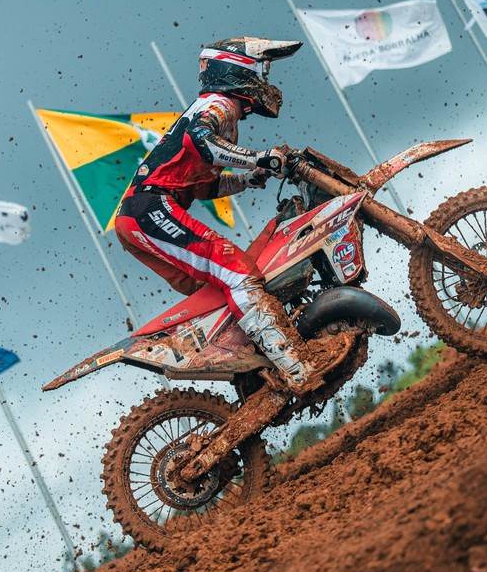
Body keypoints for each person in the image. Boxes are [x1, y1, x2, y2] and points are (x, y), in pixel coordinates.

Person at [114, 36, 345, 394]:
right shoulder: (218, 104)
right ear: (238, 68)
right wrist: (258, 158)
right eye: (262, 70)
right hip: (150, 209)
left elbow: (203, 186)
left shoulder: (222, 114)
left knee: (215, 294)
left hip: (141, 215)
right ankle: (296, 367)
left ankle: (252, 367)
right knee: (238, 272)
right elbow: (200, 142)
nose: (265, 80)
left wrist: (248, 177)